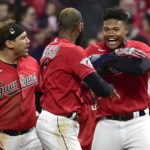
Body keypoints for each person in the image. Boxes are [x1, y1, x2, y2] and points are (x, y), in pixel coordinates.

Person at [36, 7, 119, 150]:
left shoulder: (50, 47)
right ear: (80, 26)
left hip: (50, 117)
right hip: (58, 121)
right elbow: (98, 85)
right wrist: (109, 88)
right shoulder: (74, 51)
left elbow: (64, 78)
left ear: (58, 26)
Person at [85, 8, 150, 150]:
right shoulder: (92, 50)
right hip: (107, 123)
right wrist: (115, 56)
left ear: (125, 30)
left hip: (138, 123)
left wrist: (108, 60)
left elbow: (140, 68)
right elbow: (84, 78)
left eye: (116, 29)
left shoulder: (139, 47)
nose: (111, 34)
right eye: (106, 29)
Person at [0, 19, 43, 150]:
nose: (28, 41)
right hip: (5, 139)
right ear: (9, 43)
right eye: (23, 38)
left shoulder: (32, 62)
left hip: (32, 136)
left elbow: (39, 95)